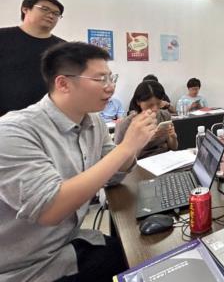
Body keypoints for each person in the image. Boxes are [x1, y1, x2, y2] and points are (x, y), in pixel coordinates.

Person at [0, 42, 157, 282]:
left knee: (141, 253)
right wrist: (127, 146)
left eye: (111, 77)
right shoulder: (13, 131)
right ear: (63, 83)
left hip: (66, 245)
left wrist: (134, 146)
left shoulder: (94, 122)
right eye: (100, 79)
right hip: (26, 268)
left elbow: (114, 174)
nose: (110, 86)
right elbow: (50, 209)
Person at [0, 0, 66, 116]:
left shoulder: (64, 48)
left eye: (56, 13)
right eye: (45, 9)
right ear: (25, 9)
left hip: (47, 117)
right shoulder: (3, 37)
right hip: (4, 117)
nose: (51, 15)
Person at [115, 80, 178, 159]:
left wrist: (173, 137)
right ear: (138, 102)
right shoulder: (126, 124)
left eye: (159, 104)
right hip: (139, 162)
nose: (155, 109)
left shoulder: (165, 116)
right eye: (150, 105)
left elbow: (173, 148)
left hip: (164, 159)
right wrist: (145, 140)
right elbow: (121, 159)